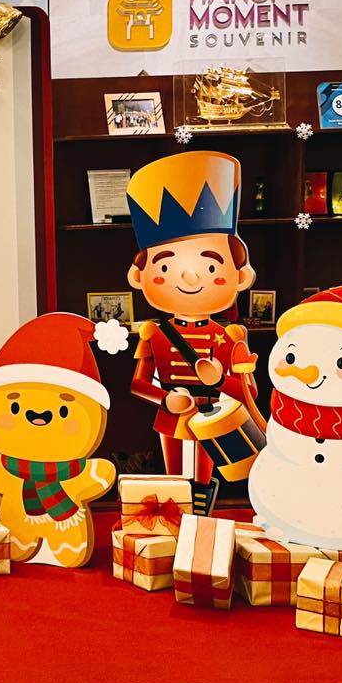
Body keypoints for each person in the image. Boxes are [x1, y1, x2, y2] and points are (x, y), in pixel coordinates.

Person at [125, 151, 264, 513]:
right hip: (171, 415)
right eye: (166, 267)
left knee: (201, 484)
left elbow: (249, 392)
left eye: (210, 266)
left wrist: (221, 380)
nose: (188, 278)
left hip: (213, 416)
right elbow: (138, 384)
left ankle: (199, 526)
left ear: (240, 276)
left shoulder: (231, 335)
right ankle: (173, 527)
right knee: (173, 483)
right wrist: (164, 399)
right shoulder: (153, 333)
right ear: (139, 276)